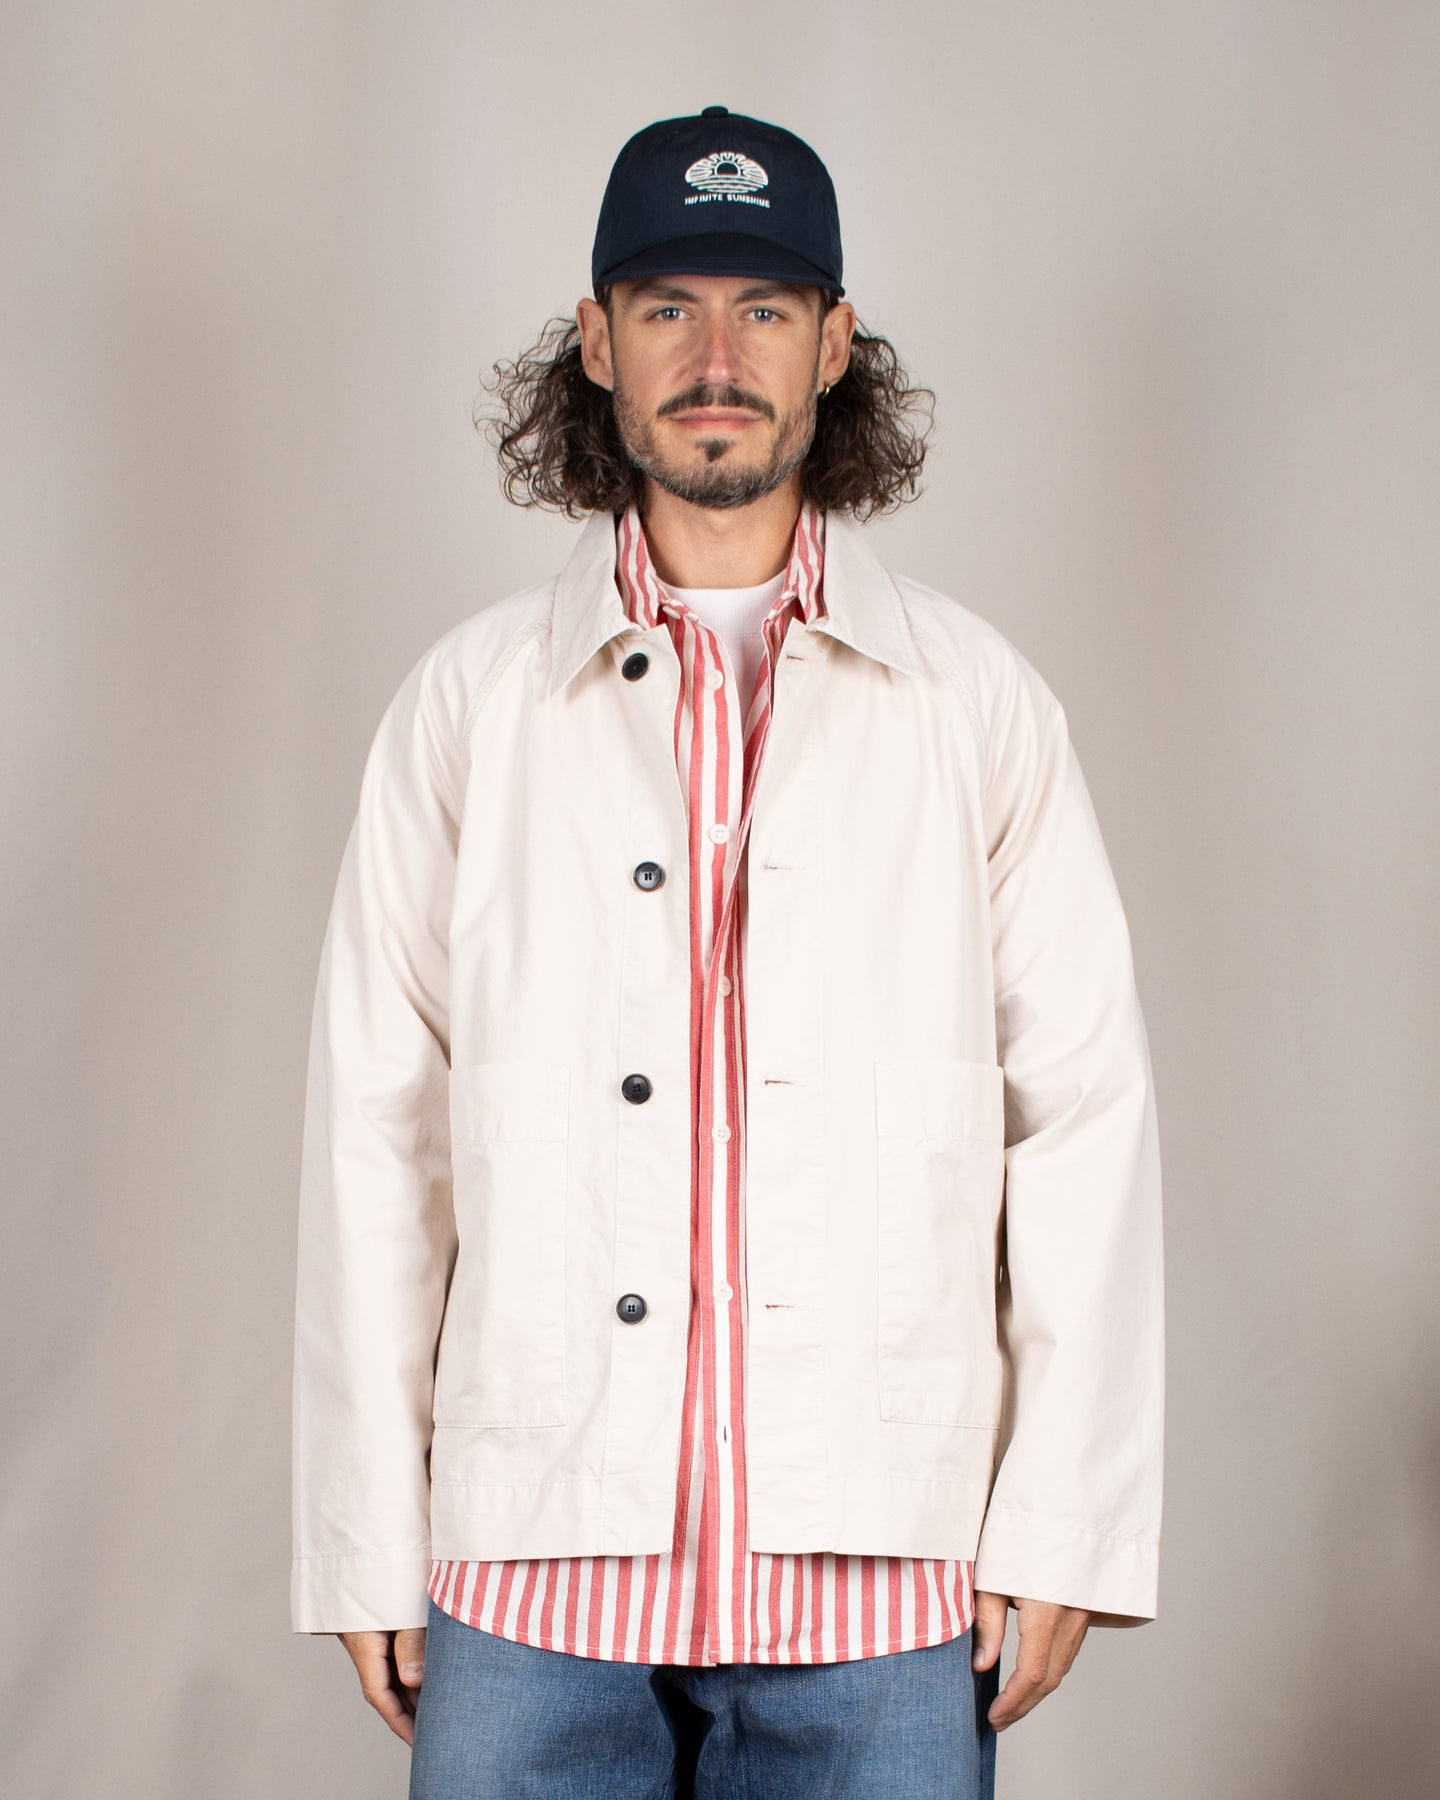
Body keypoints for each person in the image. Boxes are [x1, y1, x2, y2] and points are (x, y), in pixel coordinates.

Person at [290, 104, 1165, 1798]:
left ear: (835, 344)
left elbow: (1084, 1115)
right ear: (594, 343)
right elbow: (376, 1132)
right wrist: (362, 1530)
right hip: (532, 1565)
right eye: (667, 307)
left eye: (764, 308)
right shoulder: (470, 707)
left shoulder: (976, 704)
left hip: (881, 1574)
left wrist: (1063, 1517)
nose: (716, 358)